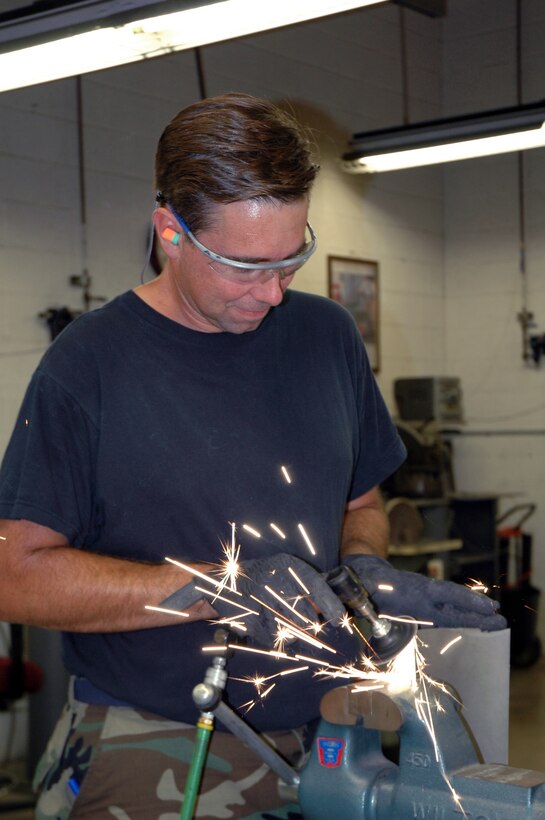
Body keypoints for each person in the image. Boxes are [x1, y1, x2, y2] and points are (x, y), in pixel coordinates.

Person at [0, 93, 505, 819]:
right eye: (243, 266)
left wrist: (359, 569)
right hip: (153, 744)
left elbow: (358, 506)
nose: (272, 293)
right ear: (170, 232)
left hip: (332, 734)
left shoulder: (327, 338)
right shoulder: (89, 366)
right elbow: (15, 576)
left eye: (291, 257)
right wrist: (225, 591)